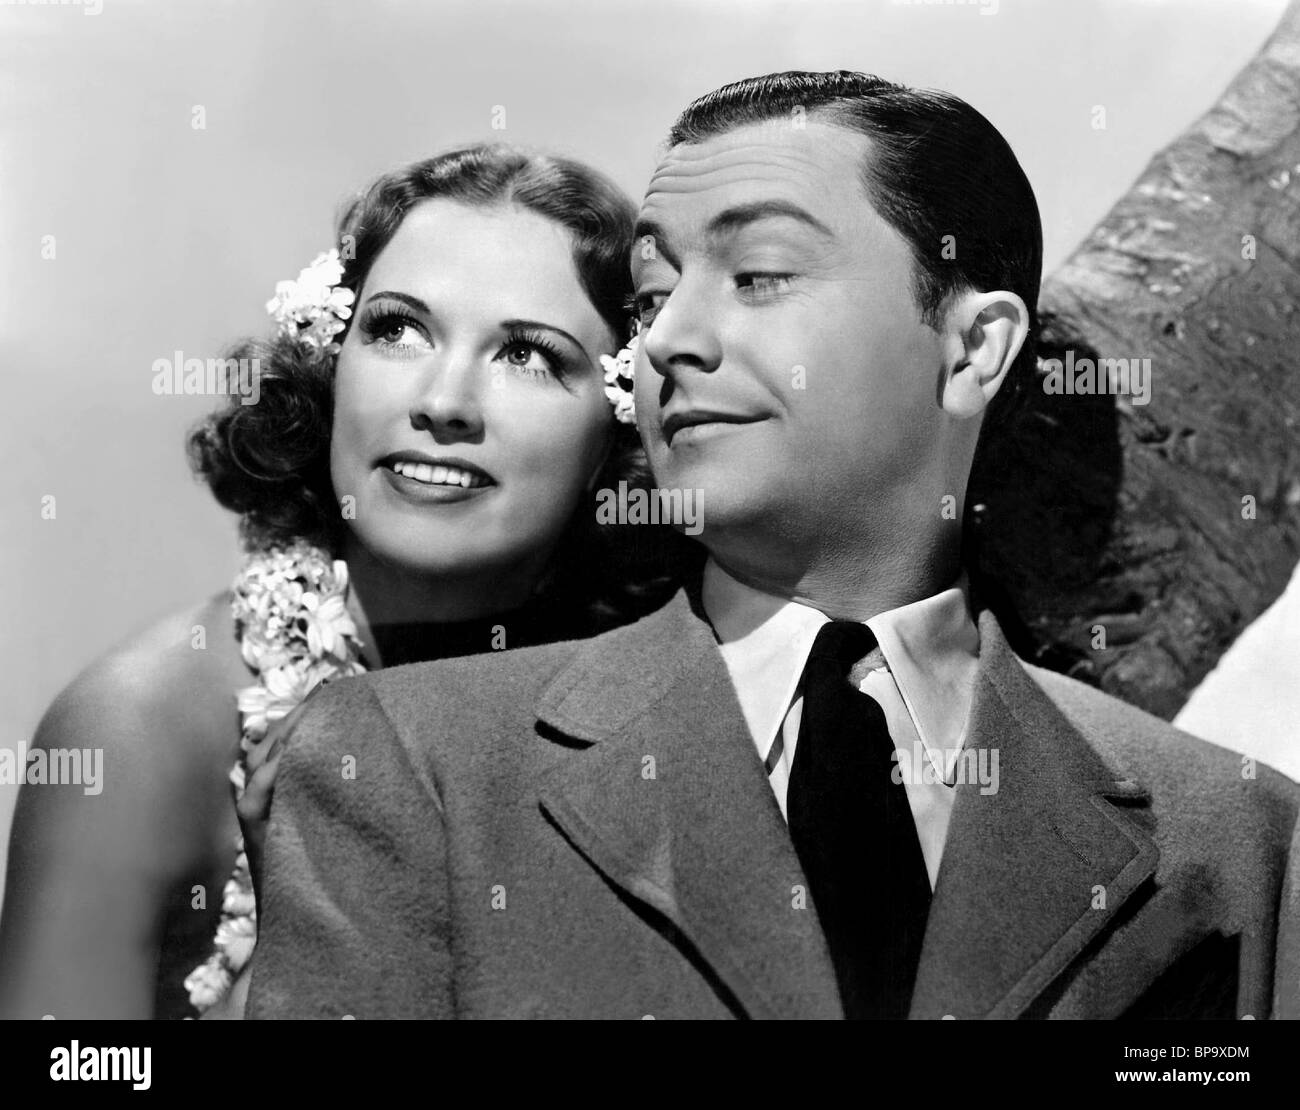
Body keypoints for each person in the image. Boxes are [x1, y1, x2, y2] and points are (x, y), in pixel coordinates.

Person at [245, 72, 1300, 1020]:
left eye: (757, 275)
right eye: (652, 297)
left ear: (973, 348)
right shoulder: (414, 763)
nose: (666, 340)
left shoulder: (1237, 838)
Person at [0, 143, 682, 1020]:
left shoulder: (664, 705)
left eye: (527, 356)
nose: (443, 401)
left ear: (618, 431)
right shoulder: (140, 724)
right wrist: (310, 927)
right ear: (332, 361)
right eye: (397, 329)